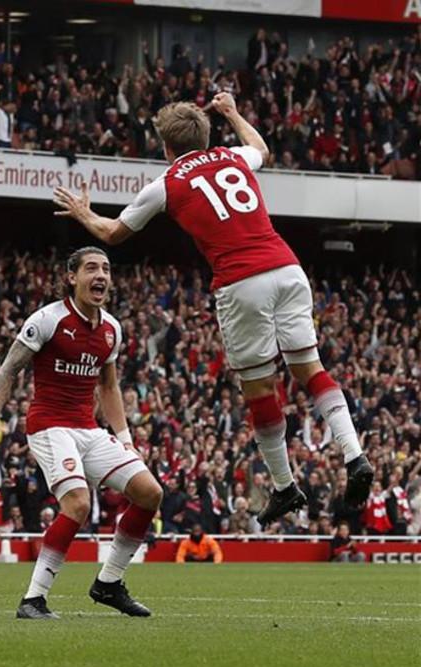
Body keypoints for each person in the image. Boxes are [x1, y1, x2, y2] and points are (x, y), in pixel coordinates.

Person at [53, 90, 374, 526]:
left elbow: (112, 234)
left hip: (242, 281)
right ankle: (353, 454)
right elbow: (262, 148)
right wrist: (234, 113)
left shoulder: (166, 183)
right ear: (204, 137)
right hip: (287, 266)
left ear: (167, 147)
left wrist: (82, 214)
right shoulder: (233, 156)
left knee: (260, 389)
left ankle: (283, 486)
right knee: (311, 370)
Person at [0, 247, 163, 620]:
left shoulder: (111, 329)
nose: (101, 276)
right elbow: (8, 370)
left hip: (88, 428)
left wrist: (125, 438)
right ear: (72, 277)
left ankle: (109, 584)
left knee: (149, 492)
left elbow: (109, 388)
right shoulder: (47, 320)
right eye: (92, 268)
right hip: (49, 426)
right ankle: (33, 600)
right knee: (78, 504)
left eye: (107, 269)